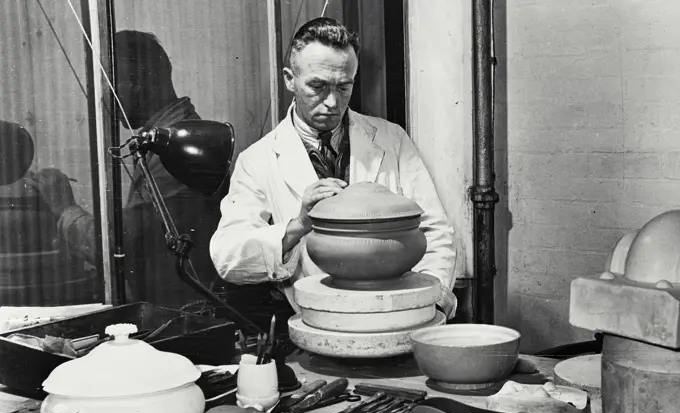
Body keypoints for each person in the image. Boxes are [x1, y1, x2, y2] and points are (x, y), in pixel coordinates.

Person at [210, 17, 458, 319]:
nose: (331, 102)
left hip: (398, 314)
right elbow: (228, 258)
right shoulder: (257, 160)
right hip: (318, 322)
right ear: (289, 79)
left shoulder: (391, 139)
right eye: (317, 86)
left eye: (343, 87)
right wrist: (297, 225)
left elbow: (435, 231)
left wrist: (430, 303)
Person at [26, 31, 222, 308]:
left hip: (180, 311)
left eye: (108, 85)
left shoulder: (178, 150)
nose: (105, 98)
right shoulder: (170, 138)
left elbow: (122, 244)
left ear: (138, 83)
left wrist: (65, 207)